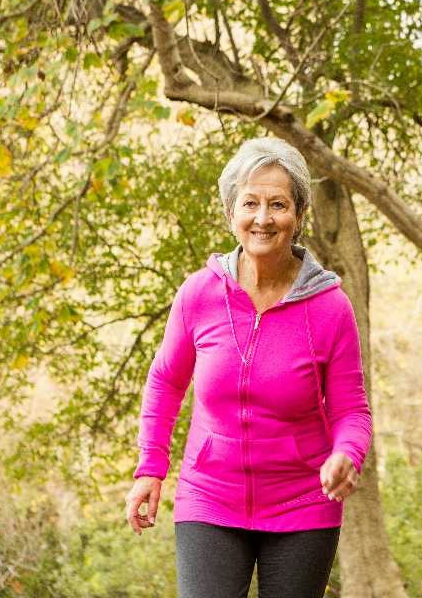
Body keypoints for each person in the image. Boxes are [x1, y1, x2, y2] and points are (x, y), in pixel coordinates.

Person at [126, 137, 372, 598]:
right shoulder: (198, 294)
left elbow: (351, 410)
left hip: (303, 503)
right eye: (250, 203)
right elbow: (165, 382)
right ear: (231, 212)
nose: (263, 218)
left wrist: (347, 453)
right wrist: (150, 468)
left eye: (278, 204)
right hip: (210, 497)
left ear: (298, 215)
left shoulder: (330, 307)